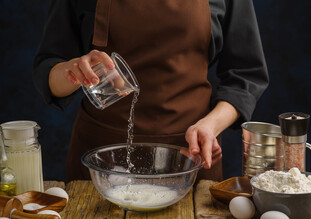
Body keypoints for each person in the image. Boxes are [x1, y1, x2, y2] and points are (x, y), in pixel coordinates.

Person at [33, 0, 269, 182]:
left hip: (190, 156)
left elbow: (245, 75)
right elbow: (49, 70)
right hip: (100, 161)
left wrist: (211, 126)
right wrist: (73, 72)